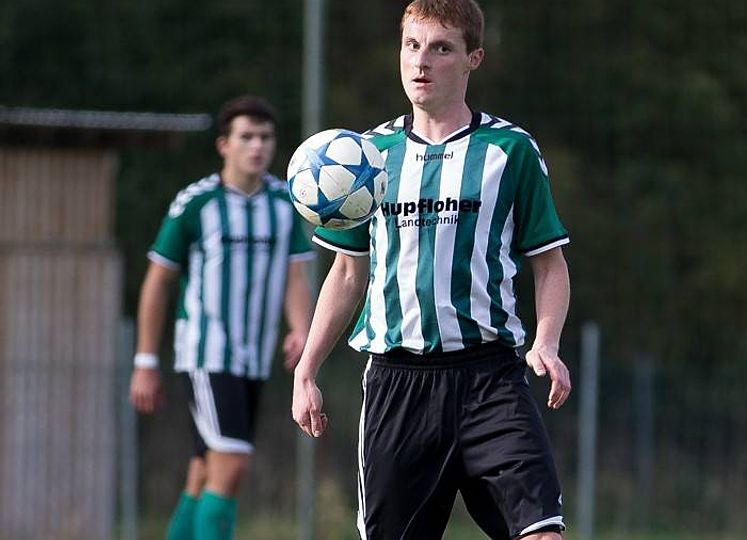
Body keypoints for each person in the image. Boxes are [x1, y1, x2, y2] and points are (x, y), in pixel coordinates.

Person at [291, 1, 572, 538]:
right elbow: (347, 274)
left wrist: (547, 341)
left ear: (473, 59)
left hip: (491, 378)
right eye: (412, 45)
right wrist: (306, 371)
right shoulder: (366, 157)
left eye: (441, 48)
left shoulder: (509, 151)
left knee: (542, 533)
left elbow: (550, 263)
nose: (421, 61)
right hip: (399, 384)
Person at [129, 95, 315, 540]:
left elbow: (295, 274)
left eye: (265, 137)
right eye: (246, 137)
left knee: (203, 472)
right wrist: (145, 361)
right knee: (231, 467)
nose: (258, 146)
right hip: (207, 355)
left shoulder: (285, 202)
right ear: (224, 145)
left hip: (253, 359)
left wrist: (301, 328)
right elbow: (158, 281)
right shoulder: (196, 203)